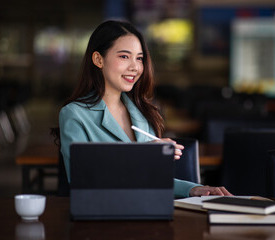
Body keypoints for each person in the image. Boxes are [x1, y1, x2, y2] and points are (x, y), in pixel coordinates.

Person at [56, 19, 232, 198]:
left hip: (148, 210)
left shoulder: (142, 112)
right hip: (103, 214)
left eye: (139, 58)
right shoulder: (74, 114)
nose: (135, 67)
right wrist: (142, 155)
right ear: (98, 59)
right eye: (124, 56)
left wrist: (192, 189)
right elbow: (82, 177)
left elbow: (151, 179)